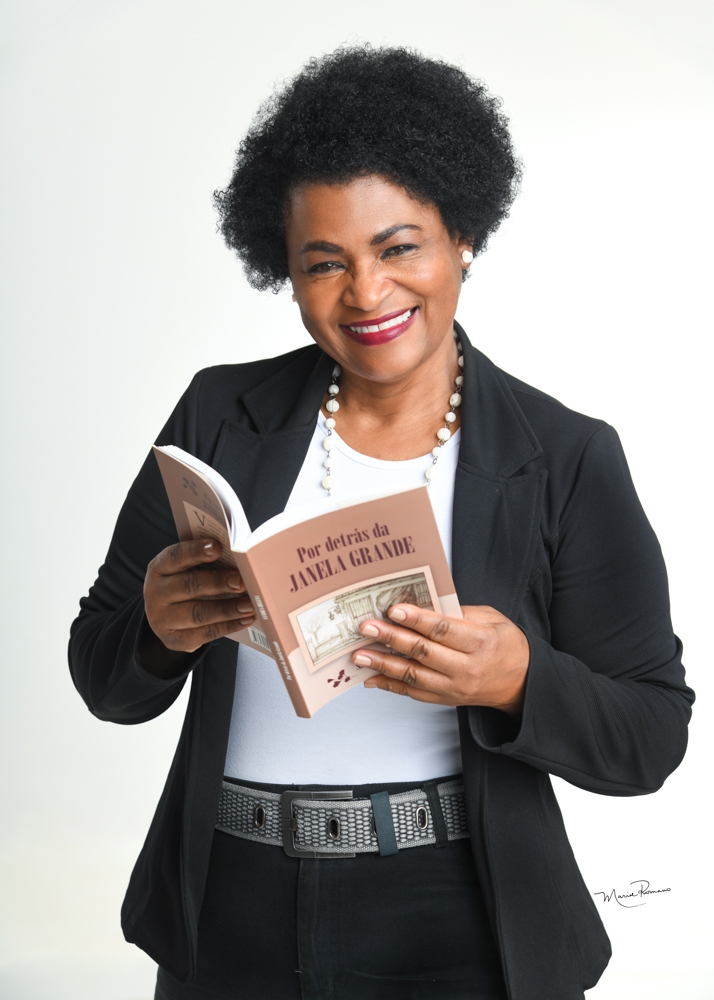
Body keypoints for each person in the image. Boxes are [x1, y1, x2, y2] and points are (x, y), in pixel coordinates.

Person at [69, 46, 694, 1000]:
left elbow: (651, 734)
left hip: (457, 911)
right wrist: (156, 630)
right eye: (325, 263)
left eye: (399, 248)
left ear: (463, 237)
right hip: (231, 906)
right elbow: (101, 677)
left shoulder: (568, 456)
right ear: (286, 272)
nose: (365, 293)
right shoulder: (217, 417)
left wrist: (518, 678)